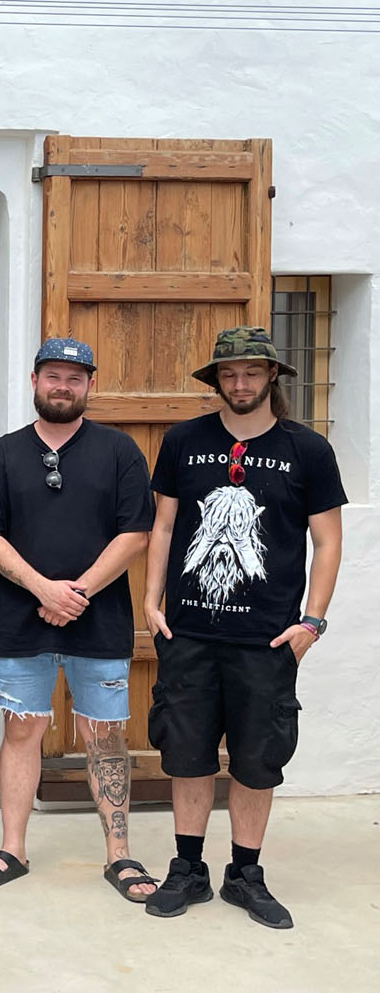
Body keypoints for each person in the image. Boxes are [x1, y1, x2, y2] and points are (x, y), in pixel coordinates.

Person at [143, 327, 344, 929]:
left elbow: (328, 540)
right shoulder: (184, 441)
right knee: (187, 755)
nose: (240, 383)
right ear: (216, 381)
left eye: (252, 372)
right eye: (229, 374)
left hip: (268, 638)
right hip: (189, 633)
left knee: (257, 761)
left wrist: (312, 622)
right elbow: (163, 526)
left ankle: (245, 874)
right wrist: (150, 602)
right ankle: (188, 868)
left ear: (271, 376)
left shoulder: (308, 450)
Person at [0, 338, 157, 900]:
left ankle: (119, 855)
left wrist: (77, 592)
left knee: (104, 734)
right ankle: (13, 848)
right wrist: (42, 588)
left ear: (90, 385)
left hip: (100, 621)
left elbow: (135, 533)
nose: (63, 386)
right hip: (20, 620)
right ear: (34, 381)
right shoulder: (2, 454)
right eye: (53, 375)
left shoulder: (119, 451)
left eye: (75, 378)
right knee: (21, 730)